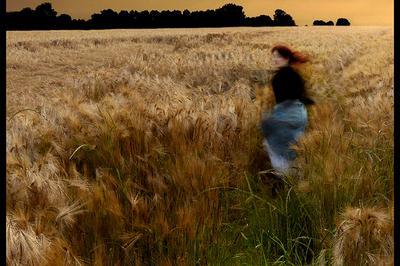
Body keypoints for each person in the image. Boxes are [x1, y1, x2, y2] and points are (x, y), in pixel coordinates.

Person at [261, 45, 314, 177]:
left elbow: (290, 96)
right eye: (273, 57)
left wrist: (273, 118)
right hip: (298, 112)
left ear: (286, 58)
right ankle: (295, 174)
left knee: (272, 140)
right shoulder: (292, 74)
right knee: (291, 143)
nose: (274, 59)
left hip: (288, 114)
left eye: (278, 56)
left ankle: (286, 175)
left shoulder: (282, 76)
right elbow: (300, 94)